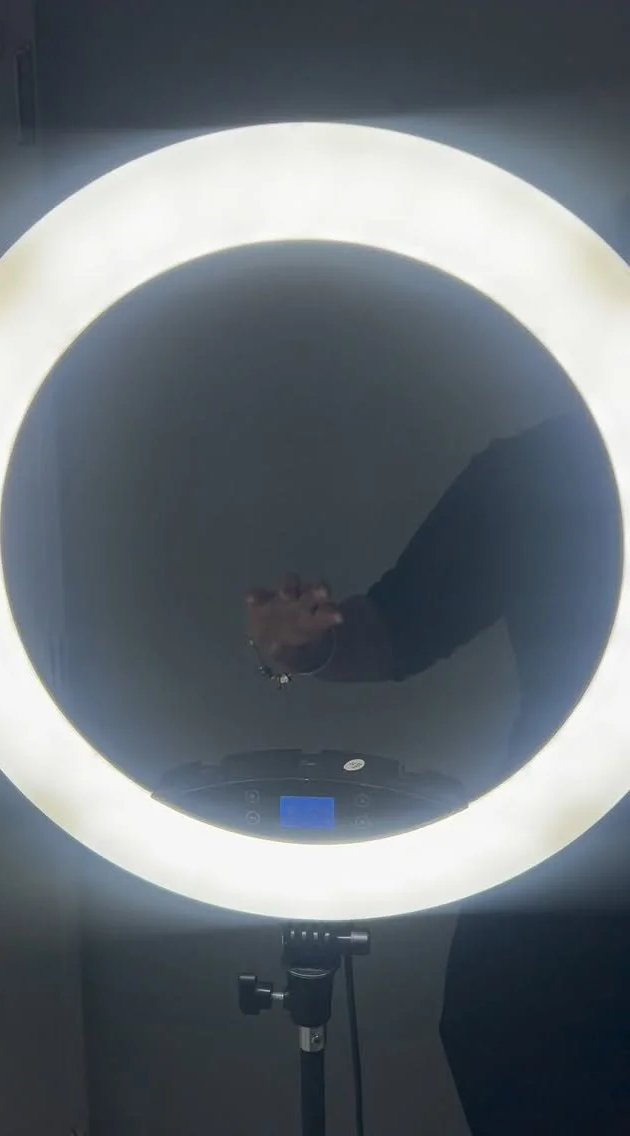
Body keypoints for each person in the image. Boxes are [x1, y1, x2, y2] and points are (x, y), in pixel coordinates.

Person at [245, 407, 629, 1134]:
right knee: (512, 1045)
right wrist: (306, 647)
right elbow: (401, 625)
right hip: (568, 871)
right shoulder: (542, 469)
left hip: (563, 872)